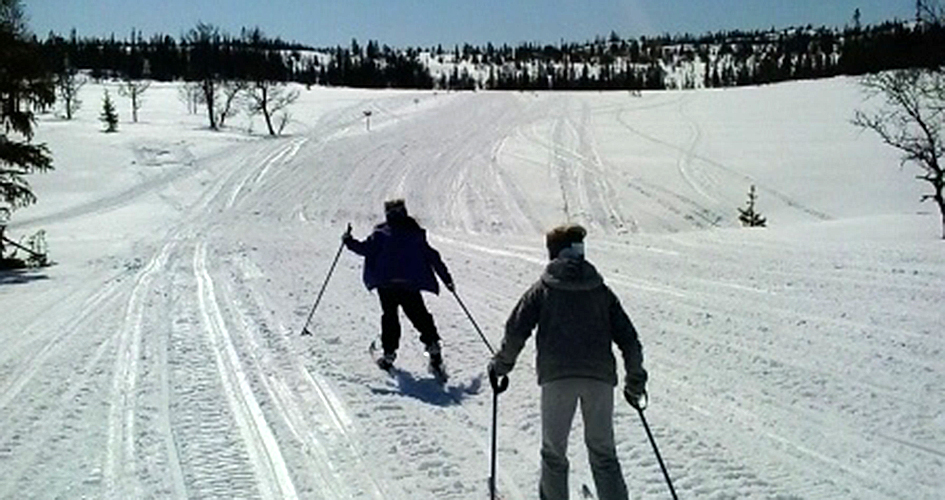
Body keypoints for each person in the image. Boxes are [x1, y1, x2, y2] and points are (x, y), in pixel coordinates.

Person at [488, 224, 647, 500]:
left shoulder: (543, 289)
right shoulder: (600, 290)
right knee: (603, 452)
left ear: (553, 253)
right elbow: (629, 339)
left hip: (557, 377)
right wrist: (635, 380)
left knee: (554, 452)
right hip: (599, 378)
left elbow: (516, 330)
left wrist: (500, 366)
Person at [343, 199, 455, 372]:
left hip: (386, 284)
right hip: (410, 284)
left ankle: (389, 355)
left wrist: (348, 241)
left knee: (390, 317)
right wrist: (446, 279)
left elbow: (365, 249)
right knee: (419, 315)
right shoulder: (414, 233)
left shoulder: (381, 233)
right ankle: (433, 346)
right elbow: (433, 256)